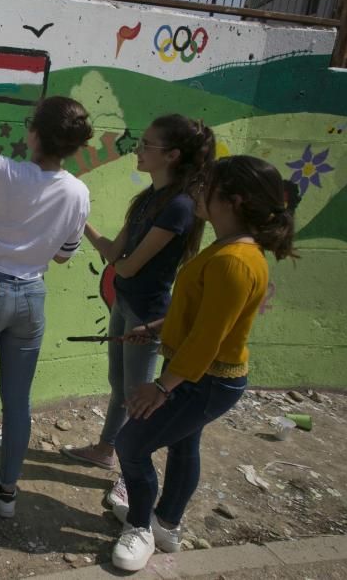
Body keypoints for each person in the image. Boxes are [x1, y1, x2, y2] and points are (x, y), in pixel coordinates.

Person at [109, 155, 297, 571]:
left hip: (204, 379)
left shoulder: (234, 261)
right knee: (183, 443)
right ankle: (167, 524)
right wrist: (158, 326)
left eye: (206, 185)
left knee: (131, 444)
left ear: (233, 200)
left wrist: (160, 389)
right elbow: (202, 315)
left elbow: (208, 341)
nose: (197, 192)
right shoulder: (229, 248)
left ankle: (140, 526)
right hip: (198, 374)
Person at [0, 91, 92, 519]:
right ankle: (7, 491)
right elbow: (64, 254)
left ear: (33, 134)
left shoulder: (4, 172)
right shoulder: (78, 193)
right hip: (32, 296)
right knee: (17, 401)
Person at [61, 115, 215, 511]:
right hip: (126, 303)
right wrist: (79, 219)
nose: (138, 150)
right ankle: (104, 449)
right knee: (120, 384)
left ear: (173, 155)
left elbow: (127, 266)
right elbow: (116, 254)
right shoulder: (148, 197)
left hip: (149, 313)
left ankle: (130, 477)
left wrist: (114, 256)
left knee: (139, 396)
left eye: (147, 145)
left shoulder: (180, 208)